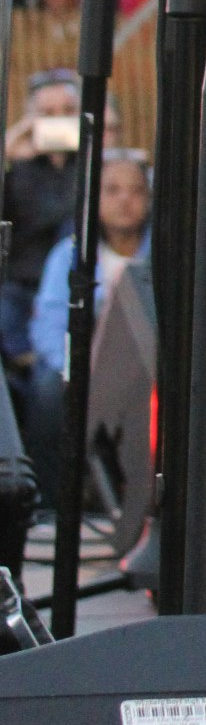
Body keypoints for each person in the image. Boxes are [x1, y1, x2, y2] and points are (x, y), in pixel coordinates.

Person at [21, 152, 151, 499]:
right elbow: (50, 324)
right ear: (93, 200)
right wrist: (76, 365)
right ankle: (51, 500)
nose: (125, 199)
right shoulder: (70, 253)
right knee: (49, 392)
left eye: (136, 190)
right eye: (112, 190)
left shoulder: (168, 251)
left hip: (150, 365)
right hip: (83, 362)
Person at [1, 70, 80, 405]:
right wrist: (6, 156)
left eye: (67, 112)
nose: (58, 122)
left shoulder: (96, 167)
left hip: (76, 293)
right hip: (20, 289)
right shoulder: (18, 168)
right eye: (47, 114)